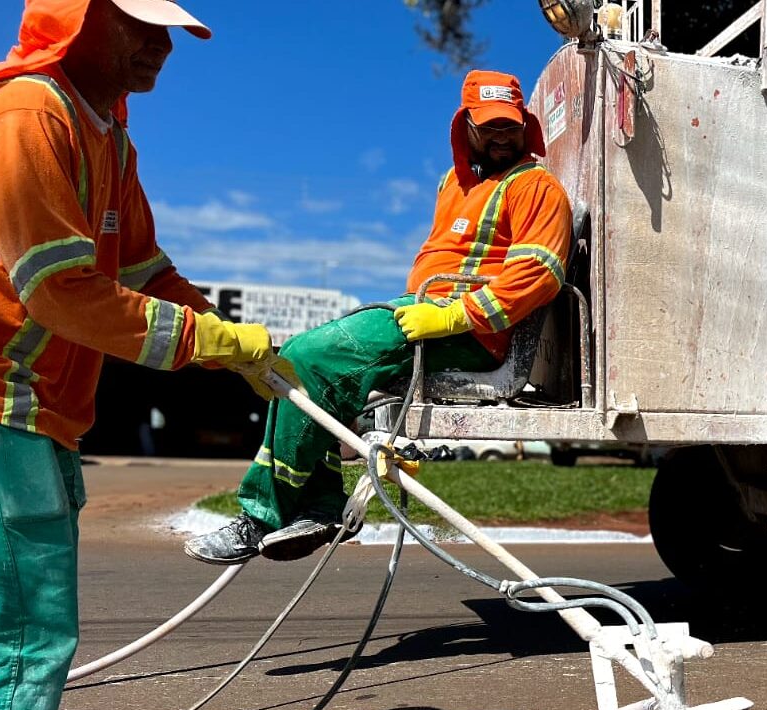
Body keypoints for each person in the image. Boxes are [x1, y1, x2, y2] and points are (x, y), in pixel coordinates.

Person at [0, 0, 288, 710]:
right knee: (25, 620)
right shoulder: (29, 113)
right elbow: (61, 290)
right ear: (76, 21)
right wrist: (212, 344)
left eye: (168, 32)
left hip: (27, 406)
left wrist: (239, 344)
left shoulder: (105, 131)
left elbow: (143, 269)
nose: (160, 47)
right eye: (138, 26)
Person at [184, 70, 573, 565]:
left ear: (526, 125)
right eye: (489, 126)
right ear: (465, 127)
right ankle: (319, 503)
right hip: (422, 316)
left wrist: (455, 317)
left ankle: (262, 517)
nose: (502, 137)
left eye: (510, 126)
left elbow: (539, 274)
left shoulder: (536, 186)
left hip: (468, 334)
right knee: (303, 364)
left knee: (305, 356)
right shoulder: (453, 183)